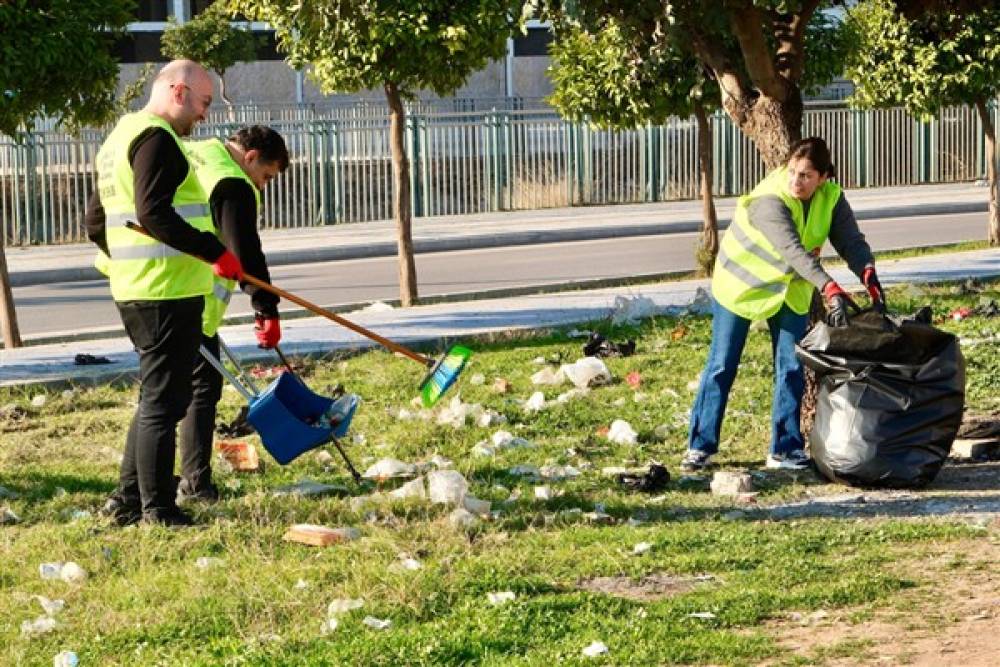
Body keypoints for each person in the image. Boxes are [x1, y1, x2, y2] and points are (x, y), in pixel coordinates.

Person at [85, 60, 245, 526]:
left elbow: (96, 221)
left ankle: (128, 499)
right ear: (178, 91)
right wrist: (214, 250)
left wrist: (124, 260)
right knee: (166, 401)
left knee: (157, 397)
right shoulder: (157, 139)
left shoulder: (120, 137)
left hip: (141, 287)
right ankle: (158, 507)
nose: (205, 115)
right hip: (164, 290)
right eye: (203, 102)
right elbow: (153, 213)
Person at [681, 137, 884, 472]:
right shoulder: (769, 200)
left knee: (791, 366)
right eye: (792, 172)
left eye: (805, 176)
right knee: (722, 364)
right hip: (741, 285)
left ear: (823, 178)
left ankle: (785, 449)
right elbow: (793, 250)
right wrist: (829, 288)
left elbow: (850, 241)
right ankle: (700, 447)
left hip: (789, 290)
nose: (796, 181)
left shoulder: (831, 199)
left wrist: (868, 272)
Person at [176, 126, 289, 503]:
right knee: (200, 388)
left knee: (163, 391)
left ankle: (145, 485)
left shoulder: (201, 151)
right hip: (192, 296)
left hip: (156, 288)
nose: (263, 186)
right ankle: (194, 484)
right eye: (267, 176)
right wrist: (266, 308)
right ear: (251, 157)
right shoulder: (233, 182)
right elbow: (245, 252)